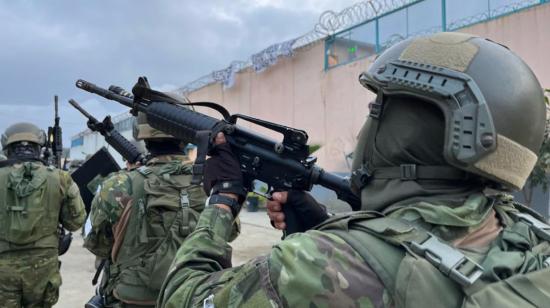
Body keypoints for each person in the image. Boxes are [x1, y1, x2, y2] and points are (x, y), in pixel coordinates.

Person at [157, 32, 550, 308]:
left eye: (375, 111)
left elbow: (181, 297)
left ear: (408, 132)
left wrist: (223, 197)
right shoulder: (533, 233)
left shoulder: (318, 265)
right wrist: (328, 225)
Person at [84, 113, 208, 308]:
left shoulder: (118, 184)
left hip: (133, 299)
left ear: (142, 137)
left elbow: (96, 244)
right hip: (193, 295)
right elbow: (229, 231)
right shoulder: (209, 183)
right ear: (186, 137)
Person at [0, 122, 86, 307]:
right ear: (39, 148)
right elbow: (75, 222)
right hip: (42, 268)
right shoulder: (60, 177)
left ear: (7, 148)